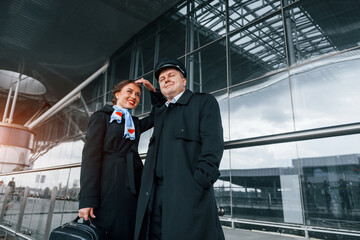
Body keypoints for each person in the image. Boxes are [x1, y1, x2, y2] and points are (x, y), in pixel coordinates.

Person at [134, 57, 225, 240]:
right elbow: (156, 109)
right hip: (153, 193)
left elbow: (213, 144)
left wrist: (200, 182)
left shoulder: (204, 102)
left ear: (184, 81)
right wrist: (153, 92)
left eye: (171, 75)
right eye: (161, 79)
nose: (165, 79)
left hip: (187, 191)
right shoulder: (162, 112)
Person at [78, 78, 162, 240]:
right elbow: (90, 158)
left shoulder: (134, 123)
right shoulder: (101, 117)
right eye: (129, 92)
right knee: (110, 229)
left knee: (130, 229)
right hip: (109, 185)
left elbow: (156, 115)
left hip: (134, 183)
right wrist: (87, 199)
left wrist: (152, 91)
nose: (134, 97)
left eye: (138, 95)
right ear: (117, 95)